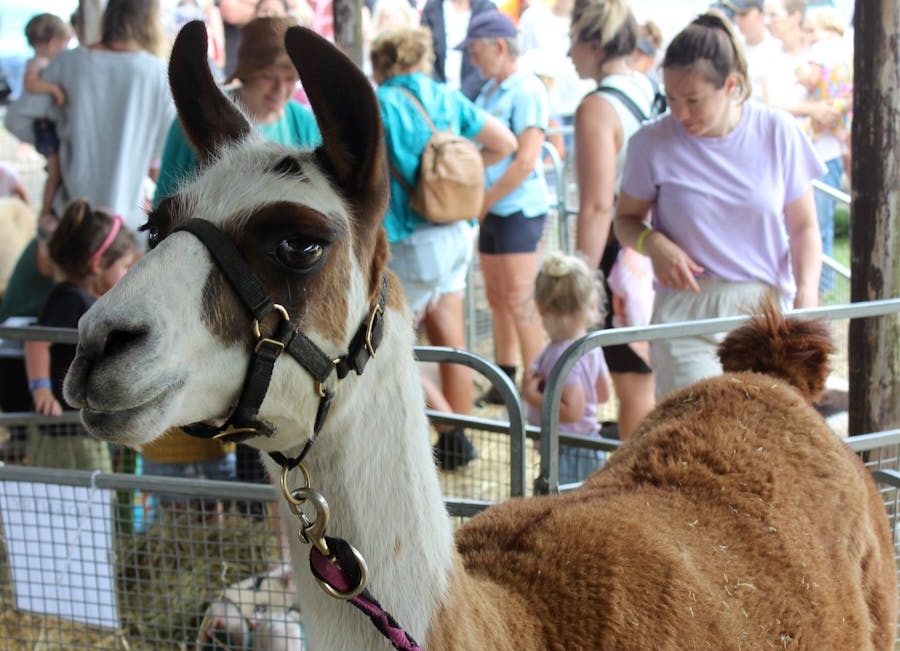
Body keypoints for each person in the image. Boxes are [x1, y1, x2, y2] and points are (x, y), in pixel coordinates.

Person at [613, 10, 824, 398]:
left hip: (762, 311)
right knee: (697, 430)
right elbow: (625, 221)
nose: (680, 113)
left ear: (731, 85)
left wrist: (806, 296)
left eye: (693, 100)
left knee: (762, 435)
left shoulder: (778, 132)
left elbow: (804, 227)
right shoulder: (650, 143)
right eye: (671, 98)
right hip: (686, 309)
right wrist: (653, 244)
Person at [370, 26, 517, 470]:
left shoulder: (380, 103)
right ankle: (465, 431)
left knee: (386, 343)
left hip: (409, 236)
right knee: (449, 337)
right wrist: (460, 180)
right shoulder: (445, 96)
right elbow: (504, 143)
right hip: (456, 233)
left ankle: (450, 433)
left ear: (381, 65)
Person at [567, 0, 655, 439]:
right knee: (645, 376)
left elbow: (598, 205)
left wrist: (581, 279)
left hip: (618, 256)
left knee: (633, 383)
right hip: (651, 247)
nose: (569, 55)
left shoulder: (597, 108)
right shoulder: (645, 87)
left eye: (573, 43)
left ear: (594, 44)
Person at [459, 10, 551, 405]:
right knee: (497, 299)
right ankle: (506, 377)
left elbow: (526, 160)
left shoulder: (527, 89)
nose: (473, 61)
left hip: (518, 209)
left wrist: (486, 199)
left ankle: (540, 383)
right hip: (494, 207)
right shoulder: (489, 91)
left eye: (477, 52)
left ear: (500, 47)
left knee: (520, 299)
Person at [37, 0, 176, 238]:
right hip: (125, 223)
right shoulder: (157, 72)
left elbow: (21, 118)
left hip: (71, 212)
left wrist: (53, 152)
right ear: (150, 21)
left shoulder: (68, 62)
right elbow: (159, 158)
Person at [153, 16, 321, 204]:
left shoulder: (305, 125)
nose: (280, 89)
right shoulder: (200, 115)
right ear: (246, 72)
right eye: (267, 77)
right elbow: (166, 198)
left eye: (290, 79)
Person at [23, 199, 138, 471]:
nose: (127, 275)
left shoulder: (89, 301)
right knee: (88, 499)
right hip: (64, 433)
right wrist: (41, 391)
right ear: (98, 264)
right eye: (124, 266)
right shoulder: (70, 298)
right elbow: (36, 342)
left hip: (81, 427)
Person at [521, 251, 611, 485]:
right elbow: (603, 395)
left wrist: (531, 396)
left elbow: (572, 411)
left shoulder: (561, 354)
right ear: (590, 303)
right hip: (589, 443)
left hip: (566, 449)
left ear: (540, 308)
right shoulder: (592, 345)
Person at [21, 13, 71, 220]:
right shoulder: (39, 63)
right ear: (52, 43)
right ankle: (46, 211)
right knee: (55, 171)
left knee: (56, 170)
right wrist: (54, 89)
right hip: (44, 127)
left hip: (47, 126)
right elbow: (29, 83)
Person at [421, 0, 497, 100]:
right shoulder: (433, 7)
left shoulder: (485, 7)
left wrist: (460, 98)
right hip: (438, 95)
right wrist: (441, 96)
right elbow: (425, 54)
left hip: (475, 96)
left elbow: (488, 57)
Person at [724, 0, 782, 102]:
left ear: (761, 14)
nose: (737, 19)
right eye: (736, 14)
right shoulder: (732, 47)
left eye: (743, 14)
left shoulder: (777, 49)